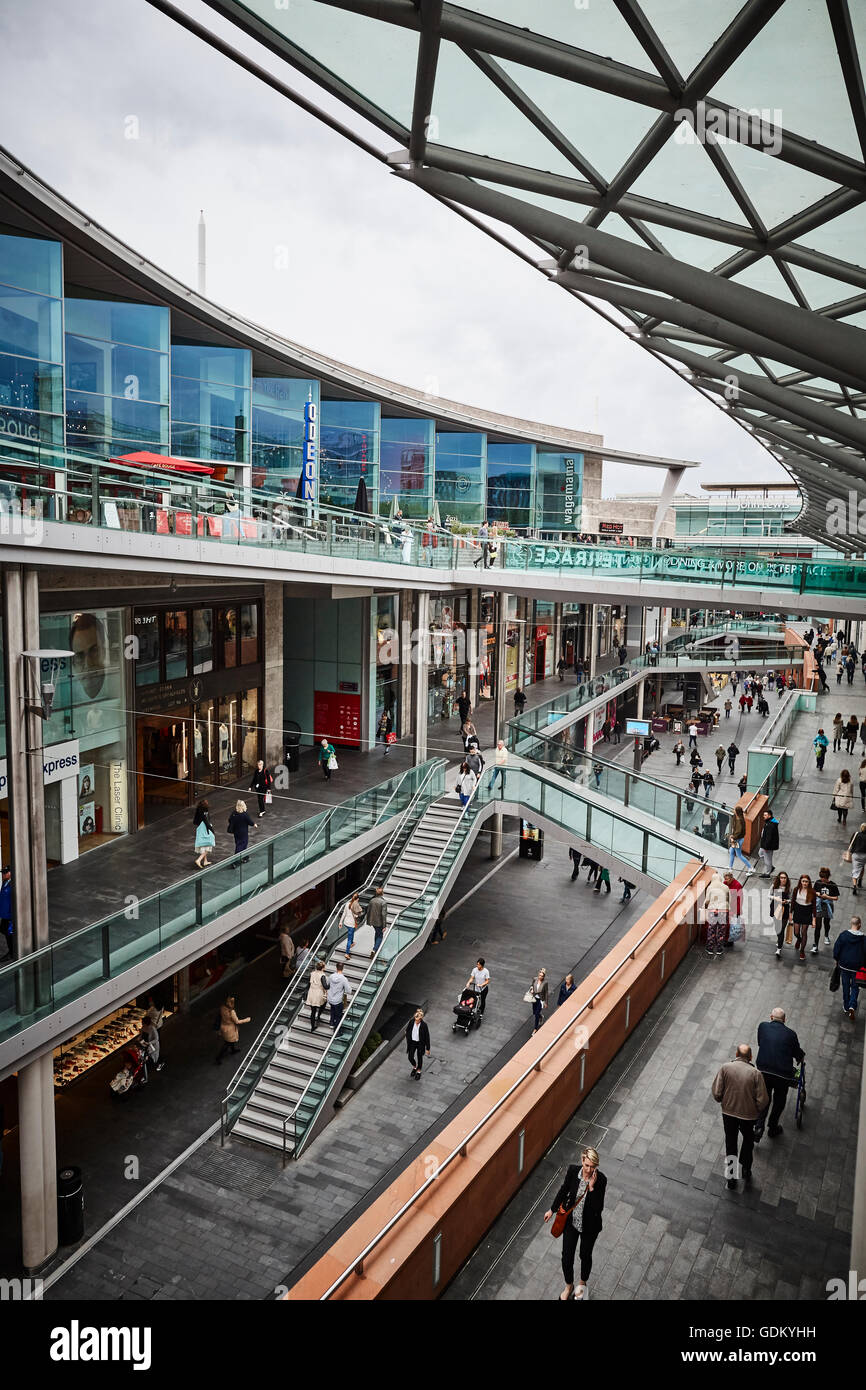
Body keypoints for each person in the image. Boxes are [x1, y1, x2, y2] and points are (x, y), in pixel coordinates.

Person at [543, 1147, 607, 1302]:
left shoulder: (601, 1180)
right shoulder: (573, 1171)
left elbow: (598, 1208)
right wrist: (552, 1210)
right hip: (572, 1222)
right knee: (566, 1257)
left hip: (589, 1227)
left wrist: (591, 1188)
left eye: (593, 1166)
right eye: (587, 1165)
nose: (589, 1170)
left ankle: (582, 1285)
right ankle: (569, 1286)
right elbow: (564, 1190)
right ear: (582, 1161)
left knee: (585, 1255)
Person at [711, 1044, 768, 1189]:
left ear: (736, 1053)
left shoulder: (725, 1068)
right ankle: (746, 1169)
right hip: (748, 1116)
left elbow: (717, 1093)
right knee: (748, 1141)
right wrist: (755, 1110)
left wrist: (724, 1101)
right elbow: (763, 1101)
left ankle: (731, 1178)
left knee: (731, 1142)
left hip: (728, 1113)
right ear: (750, 1057)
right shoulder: (756, 1074)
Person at [754, 1007, 805, 1141]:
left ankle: (759, 1127)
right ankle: (773, 1126)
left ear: (771, 1018)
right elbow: (796, 1053)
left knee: (764, 1098)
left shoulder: (763, 1027)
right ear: (784, 1020)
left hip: (763, 1070)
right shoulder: (791, 1034)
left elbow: (760, 1043)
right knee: (779, 1100)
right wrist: (801, 1057)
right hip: (782, 1075)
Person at [834, 915, 866, 1019]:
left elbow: (837, 949)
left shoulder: (843, 935)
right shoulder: (863, 939)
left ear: (851, 924)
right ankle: (852, 1005)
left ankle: (846, 1005)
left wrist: (837, 959)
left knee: (846, 985)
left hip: (845, 965)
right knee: (855, 986)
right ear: (859, 925)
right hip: (857, 967)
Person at [215, 995, 251, 1065]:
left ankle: (233, 1050)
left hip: (224, 1027)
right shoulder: (232, 1012)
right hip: (230, 1029)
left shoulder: (222, 1008)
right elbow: (237, 1021)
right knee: (227, 1043)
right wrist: (247, 1020)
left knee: (230, 1041)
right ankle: (218, 1057)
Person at [790, 874, 816, 962]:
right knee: (796, 932)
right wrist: (790, 913)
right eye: (803, 881)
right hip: (797, 911)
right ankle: (799, 939)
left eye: (806, 881)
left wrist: (814, 919)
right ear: (800, 882)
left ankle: (802, 950)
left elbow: (814, 907)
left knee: (804, 931)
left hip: (807, 913)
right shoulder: (796, 889)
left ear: (809, 883)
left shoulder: (812, 892)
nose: (805, 883)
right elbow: (793, 902)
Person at [704, 870, 730, 957]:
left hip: (713, 911)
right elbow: (729, 900)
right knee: (721, 930)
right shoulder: (725, 887)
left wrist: (706, 907)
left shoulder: (710, 887)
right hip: (723, 911)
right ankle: (719, 949)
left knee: (712, 929)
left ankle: (710, 948)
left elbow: (707, 900)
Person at [813, 867, 839, 951]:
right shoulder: (818, 882)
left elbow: (836, 898)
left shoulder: (832, 885)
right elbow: (813, 891)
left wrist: (827, 897)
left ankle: (826, 935)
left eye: (823, 878)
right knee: (818, 925)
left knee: (826, 923)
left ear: (827, 877)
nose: (822, 880)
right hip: (819, 905)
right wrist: (816, 893)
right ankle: (815, 945)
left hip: (828, 905)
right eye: (821, 877)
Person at [770, 871, 792, 958]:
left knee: (781, 928)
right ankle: (779, 939)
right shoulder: (774, 886)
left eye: (784, 878)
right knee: (777, 928)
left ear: (787, 879)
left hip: (785, 909)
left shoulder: (789, 888)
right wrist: (776, 898)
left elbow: (791, 899)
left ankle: (779, 948)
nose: (783, 879)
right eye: (781, 877)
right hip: (776, 907)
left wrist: (787, 901)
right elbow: (769, 895)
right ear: (779, 878)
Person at [227, 799, 256, 863]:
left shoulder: (234, 813)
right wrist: (254, 824)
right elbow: (250, 822)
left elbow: (229, 820)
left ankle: (245, 856)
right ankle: (236, 860)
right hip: (243, 832)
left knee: (238, 844)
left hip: (236, 832)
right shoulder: (244, 814)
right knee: (242, 845)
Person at [405, 1007, 431, 1080]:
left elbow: (427, 1037)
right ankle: (415, 1066)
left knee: (419, 1057)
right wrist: (407, 1035)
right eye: (415, 1020)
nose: (416, 1021)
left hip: (420, 1043)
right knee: (410, 1057)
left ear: (420, 1019)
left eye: (417, 1020)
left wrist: (428, 1048)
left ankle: (418, 1071)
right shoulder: (411, 1022)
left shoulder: (424, 1025)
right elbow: (407, 1030)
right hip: (412, 1042)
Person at [326, 962, 351, 1029]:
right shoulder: (343, 979)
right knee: (338, 1015)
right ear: (342, 968)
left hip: (330, 998)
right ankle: (336, 1029)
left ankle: (331, 1023)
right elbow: (349, 990)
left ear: (336, 967)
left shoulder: (331, 976)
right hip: (338, 1000)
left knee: (332, 1010)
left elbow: (328, 984)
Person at [305, 959, 328, 1032]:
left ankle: (312, 1027)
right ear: (323, 968)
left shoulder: (312, 973)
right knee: (324, 1003)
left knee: (313, 1011)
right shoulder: (322, 975)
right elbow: (325, 986)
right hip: (319, 993)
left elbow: (309, 983)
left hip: (311, 992)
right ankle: (319, 1015)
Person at [727, 803, 750, 871]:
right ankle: (730, 867)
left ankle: (750, 867)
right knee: (731, 851)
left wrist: (733, 837)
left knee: (739, 855)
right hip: (737, 839)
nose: (733, 810)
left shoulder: (740, 820)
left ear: (737, 812)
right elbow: (733, 813)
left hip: (737, 840)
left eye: (735, 810)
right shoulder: (737, 817)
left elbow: (739, 831)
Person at [193, 798, 215, 869]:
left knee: (205, 844)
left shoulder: (198, 809)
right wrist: (212, 831)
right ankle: (199, 860)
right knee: (209, 843)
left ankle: (205, 861)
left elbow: (195, 820)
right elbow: (206, 822)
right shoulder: (205, 811)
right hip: (205, 828)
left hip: (200, 827)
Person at [366, 883, 388, 954]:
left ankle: (376, 947)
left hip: (373, 921)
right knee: (380, 936)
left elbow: (368, 911)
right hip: (380, 922)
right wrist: (384, 926)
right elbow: (383, 914)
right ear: (382, 894)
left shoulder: (372, 901)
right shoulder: (383, 902)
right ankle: (375, 949)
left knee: (377, 933)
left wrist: (368, 921)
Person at [758, 810, 779, 877]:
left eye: (765, 815)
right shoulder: (768, 822)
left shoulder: (770, 825)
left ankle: (767, 873)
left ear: (769, 816)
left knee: (768, 859)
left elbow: (769, 837)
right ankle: (770, 867)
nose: (763, 816)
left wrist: (766, 847)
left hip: (768, 846)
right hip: (764, 844)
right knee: (760, 853)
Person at [529, 967, 548, 1033]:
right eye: (539, 975)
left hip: (541, 1000)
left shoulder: (545, 983)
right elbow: (531, 986)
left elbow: (546, 992)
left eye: (542, 976)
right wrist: (531, 989)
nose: (540, 977)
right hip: (534, 998)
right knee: (534, 1012)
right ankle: (541, 1016)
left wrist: (546, 1002)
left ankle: (535, 1028)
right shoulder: (535, 979)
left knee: (536, 1014)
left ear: (543, 977)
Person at [850, 821, 866, 894]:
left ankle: (854, 886)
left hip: (856, 854)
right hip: (864, 855)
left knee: (855, 870)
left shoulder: (856, 834)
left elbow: (851, 843)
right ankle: (860, 881)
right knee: (862, 867)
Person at [341, 895, 359, 960]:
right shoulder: (355, 906)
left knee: (351, 932)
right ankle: (347, 953)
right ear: (357, 899)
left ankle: (351, 943)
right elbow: (356, 916)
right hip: (351, 924)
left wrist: (340, 922)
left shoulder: (347, 904)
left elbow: (344, 913)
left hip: (346, 923)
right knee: (349, 938)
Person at [0, 866, 12, 961]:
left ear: (10, 873)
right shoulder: (4, 883)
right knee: (4, 931)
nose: (3, 874)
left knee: (9, 935)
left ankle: (11, 953)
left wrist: (12, 918)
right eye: (2, 872)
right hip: (4, 915)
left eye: (5, 872)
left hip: (9, 916)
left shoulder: (12, 884)